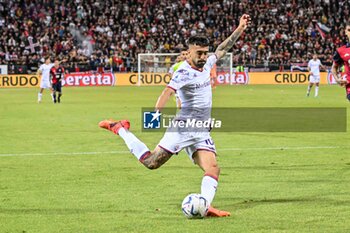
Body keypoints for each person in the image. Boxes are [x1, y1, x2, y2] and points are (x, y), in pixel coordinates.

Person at [99, 14, 251, 217]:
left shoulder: (206, 64)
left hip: (200, 130)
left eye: (205, 53)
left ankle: (205, 205)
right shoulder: (183, 72)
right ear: (189, 52)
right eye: (199, 53)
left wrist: (240, 28)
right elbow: (167, 92)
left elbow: (222, 48)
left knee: (213, 168)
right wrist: (155, 113)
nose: (203, 57)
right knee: (151, 162)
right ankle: (120, 128)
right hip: (183, 128)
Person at [331, 21, 350, 100]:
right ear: (345, 32)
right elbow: (334, 67)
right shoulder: (341, 51)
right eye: (349, 30)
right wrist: (337, 79)